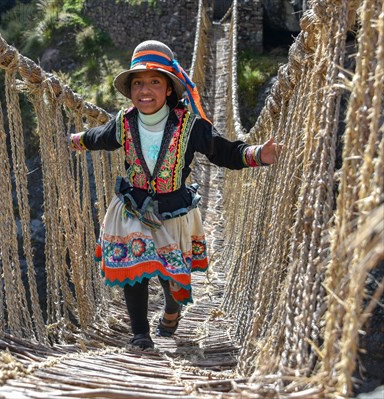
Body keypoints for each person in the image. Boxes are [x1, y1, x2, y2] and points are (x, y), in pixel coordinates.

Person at [69, 40, 281, 350]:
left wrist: (257, 154)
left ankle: (172, 309)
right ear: (129, 91)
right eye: (138, 82)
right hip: (134, 208)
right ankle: (140, 334)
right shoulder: (123, 123)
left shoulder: (190, 126)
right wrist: (76, 139)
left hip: (174, 210)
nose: (145, 89)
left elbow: (223, 151)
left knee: (172, 275)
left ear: (169, 89)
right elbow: (99, 136)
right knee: (134, 269)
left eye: (155, 82)